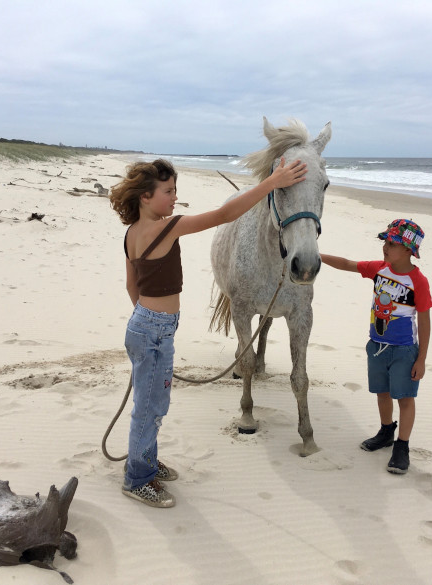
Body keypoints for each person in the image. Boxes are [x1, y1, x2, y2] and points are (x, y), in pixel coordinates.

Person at [109, 157, 307, 507]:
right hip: (153, 329)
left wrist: (146, 317)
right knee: (150, 406)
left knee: (153, 401)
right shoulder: (165, 228)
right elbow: (224, 216)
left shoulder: (132, 234)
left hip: (146, 324)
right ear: (144, 197)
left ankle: (147, 461)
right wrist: (270, 184)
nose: (174, 198)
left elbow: (130, 285)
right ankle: (137, 477)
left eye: (175, 191)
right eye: (167, 192)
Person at [320, 219, 432, 474]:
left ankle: (402, 447)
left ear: (408, 250)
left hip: (404, 350)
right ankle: (385, 432)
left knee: (405, 398)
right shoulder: (379, 269)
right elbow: (347, 264)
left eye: (392, 243)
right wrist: (316, 255)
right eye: (385, 242)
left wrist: (421, 359)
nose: (385, 247)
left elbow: (424, 321)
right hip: (376, 345)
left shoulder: (418, 281)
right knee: (381, 393)